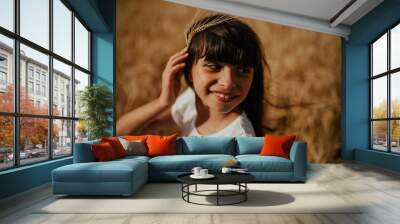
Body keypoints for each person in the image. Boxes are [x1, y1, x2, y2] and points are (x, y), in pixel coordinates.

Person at [117, 14, 266, 137]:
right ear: (188, 72)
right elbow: (120, 133)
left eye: (242, 71)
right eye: (214, 67)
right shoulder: (192, 100)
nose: (228, 82)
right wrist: (162, 102)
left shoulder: (240, 136)